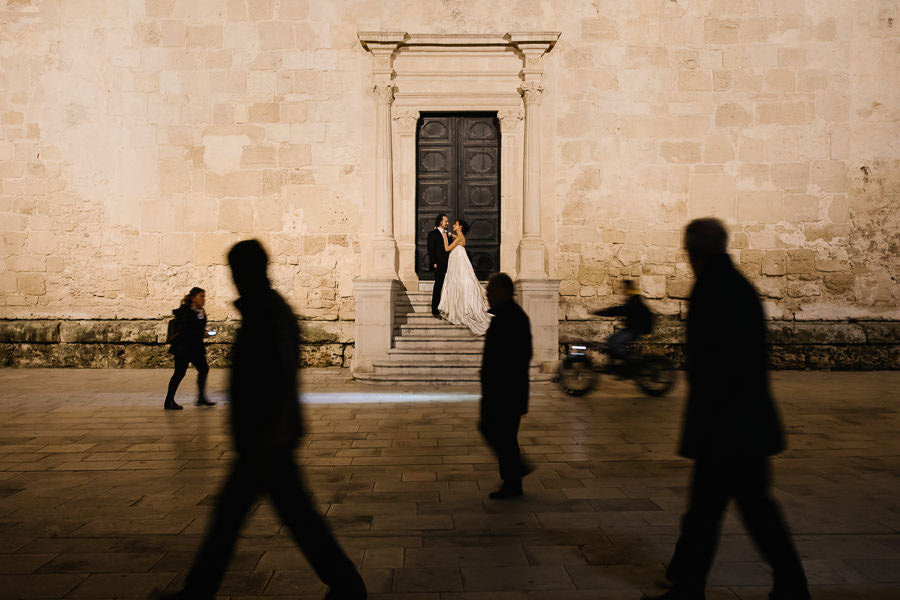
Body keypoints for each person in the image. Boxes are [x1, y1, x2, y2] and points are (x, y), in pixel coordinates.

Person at [156, 240, 366, 600]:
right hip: (266, 439)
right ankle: (346, 583)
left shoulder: (267, 312)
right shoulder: (265, 309)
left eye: (236, 271)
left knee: (248, 520)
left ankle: (346, 583)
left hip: (265, 440)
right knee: (272, 519)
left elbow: (274, 374)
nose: (235, 279)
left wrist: (265, 429)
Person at [642, 219, 810, 600]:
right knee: (724, 510)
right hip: (742, 423)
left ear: (694, 252)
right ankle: (692, 581)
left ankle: (785, 584)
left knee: (727, 511)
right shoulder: (735, 285)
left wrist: (710, 424)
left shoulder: (713, 289)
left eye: (689, 250)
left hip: (727, 427)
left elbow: (716, 364)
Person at [479, 273, 533, 499]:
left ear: (503, 291)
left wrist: (498, 378)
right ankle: (514, 478)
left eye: (491, 290)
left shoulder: (512, 317)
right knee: (502, 434)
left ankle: (514, 478)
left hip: (506, 391)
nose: (487, 294)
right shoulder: (506, 315)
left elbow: (521, 354)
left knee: (501, 433)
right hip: (502, 389)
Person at [437, 219, 492, 335]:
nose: (453, 225)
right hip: (459, 264)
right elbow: (456, 236)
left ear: (460, 227)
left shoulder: (458, 239)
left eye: (455, 224)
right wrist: (450, 234)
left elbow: (447, 249)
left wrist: (444, 238)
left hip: (458, 266)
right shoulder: (460, 237)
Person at [164, 287, 215, 410]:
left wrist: (203, 332)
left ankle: (201, 397)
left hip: (195, 348)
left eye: (204, 296)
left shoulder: (200, 311)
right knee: (179, 373)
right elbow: (184, 330)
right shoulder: (185, 311)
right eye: (201, 296)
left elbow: (197, 327)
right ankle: (169, 401)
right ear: (193, 298)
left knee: (203, 369)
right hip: (184, 348)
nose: (204, 299)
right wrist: (201, 333)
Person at [592, 279, 654, 369]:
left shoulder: (634, 301)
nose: (623, 291)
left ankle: (633, 364)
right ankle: (620, 364)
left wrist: (599, 312)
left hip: (635, 330)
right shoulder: (633, 299)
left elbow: (618, 310)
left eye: (624, 288)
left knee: (614, 344)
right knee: (610, 341)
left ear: (628, 288)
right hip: (631, 329)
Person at [427, 213, 452, 317]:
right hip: (439, 265)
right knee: (438, 286)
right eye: (446, 221)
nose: (447, 223)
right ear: (440, 222)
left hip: (449, 265)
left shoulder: (448, 234)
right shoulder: (433, 234)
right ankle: (434, 308)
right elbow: (431, 249)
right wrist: (434, 262)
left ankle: (448, 307)